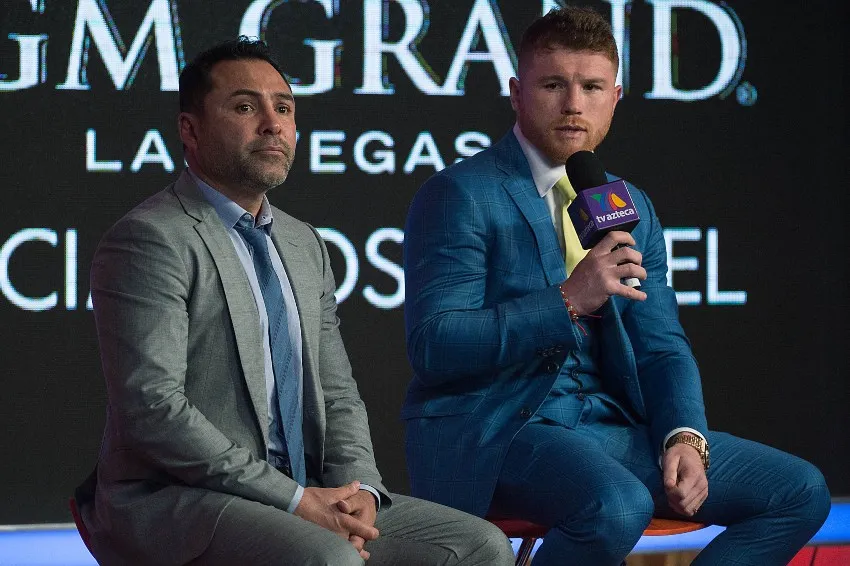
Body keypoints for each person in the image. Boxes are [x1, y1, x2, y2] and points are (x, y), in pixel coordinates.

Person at [402, 6, 830, 565]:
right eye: (553, 84)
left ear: (616, 96)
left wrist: (684, 436)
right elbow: (435, 345)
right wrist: (566, 301)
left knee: (798, 492)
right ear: (516, 92)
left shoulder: (629, 205)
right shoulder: (461, 193)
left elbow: (661, 343)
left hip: (609, 429)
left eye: (591, 86)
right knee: (617, 505)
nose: (574, 103)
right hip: (499, 429)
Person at [75, 37, 513, 566]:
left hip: (304, 490)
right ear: (189, 130)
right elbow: (153, 412)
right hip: (178, 498)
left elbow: (337, 391)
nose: (272, 123)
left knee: (479, 546)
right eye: (244, 106)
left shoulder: (304, 243)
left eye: (283, 107)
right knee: (330, 559)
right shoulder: (152, 238)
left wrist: (362, 493)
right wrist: (295, 501)